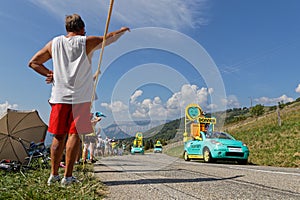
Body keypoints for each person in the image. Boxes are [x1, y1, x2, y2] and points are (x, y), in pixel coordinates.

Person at [28, 13, 129, 186]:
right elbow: (108, 39)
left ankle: (53, 175)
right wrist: (121, 30)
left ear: (67, 29)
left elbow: (34, 62)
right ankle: (67, 177)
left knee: (58, 137)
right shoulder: (85, 41)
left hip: (59, 97)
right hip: (81, 98)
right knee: (74, 135)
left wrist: (49, 74)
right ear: (82, 29)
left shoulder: (54, 43)